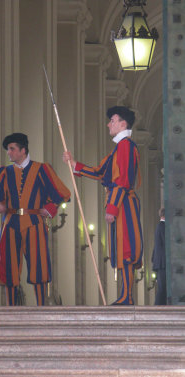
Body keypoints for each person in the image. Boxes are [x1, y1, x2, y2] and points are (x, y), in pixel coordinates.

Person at [63, 106, 143, 305]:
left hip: (123, 202)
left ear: (123, 123)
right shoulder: (118, 148)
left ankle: (127, 296)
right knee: (120, 248)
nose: (109, 124)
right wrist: (74, 164)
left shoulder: (126, 146)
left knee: (126, 249)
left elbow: (122, 180)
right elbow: (100, 172)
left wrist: (112, 207)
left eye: (112, 120)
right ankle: (125, 295)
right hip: (120, 201)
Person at [0, 133, 70, 306]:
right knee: (9, 266)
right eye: (8, 149)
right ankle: (10, 307)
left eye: (12, 149)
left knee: (39, 264)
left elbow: (63, 193)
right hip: (10, 222)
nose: (9, 153)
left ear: (23, 150)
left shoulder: (42, 169)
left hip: (35, 222)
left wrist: (51, 208)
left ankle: (41, 306)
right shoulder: (5, 172)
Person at [152, 208, 166, 305]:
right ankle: (157, 308)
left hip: (159, 262)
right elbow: (166, 244)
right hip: (162, 262)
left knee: (162, 288)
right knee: (162, 289)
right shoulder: (163, 226)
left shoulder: (159, 226)